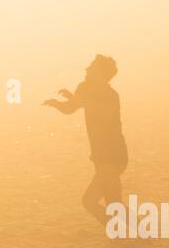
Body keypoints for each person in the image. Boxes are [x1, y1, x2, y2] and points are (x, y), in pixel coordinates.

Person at [44, 54, 128, 227]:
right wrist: (57, 104)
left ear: (103, 74)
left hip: (114, 156)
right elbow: (71, 108)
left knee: (89, 201)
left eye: (92, 68)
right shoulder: (84, 87)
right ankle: (138, 232)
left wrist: (80, 100)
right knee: (114, 204)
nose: (87, 69)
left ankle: (115, 227)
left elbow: (104, 114)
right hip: (100, 157)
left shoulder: (112, 96)